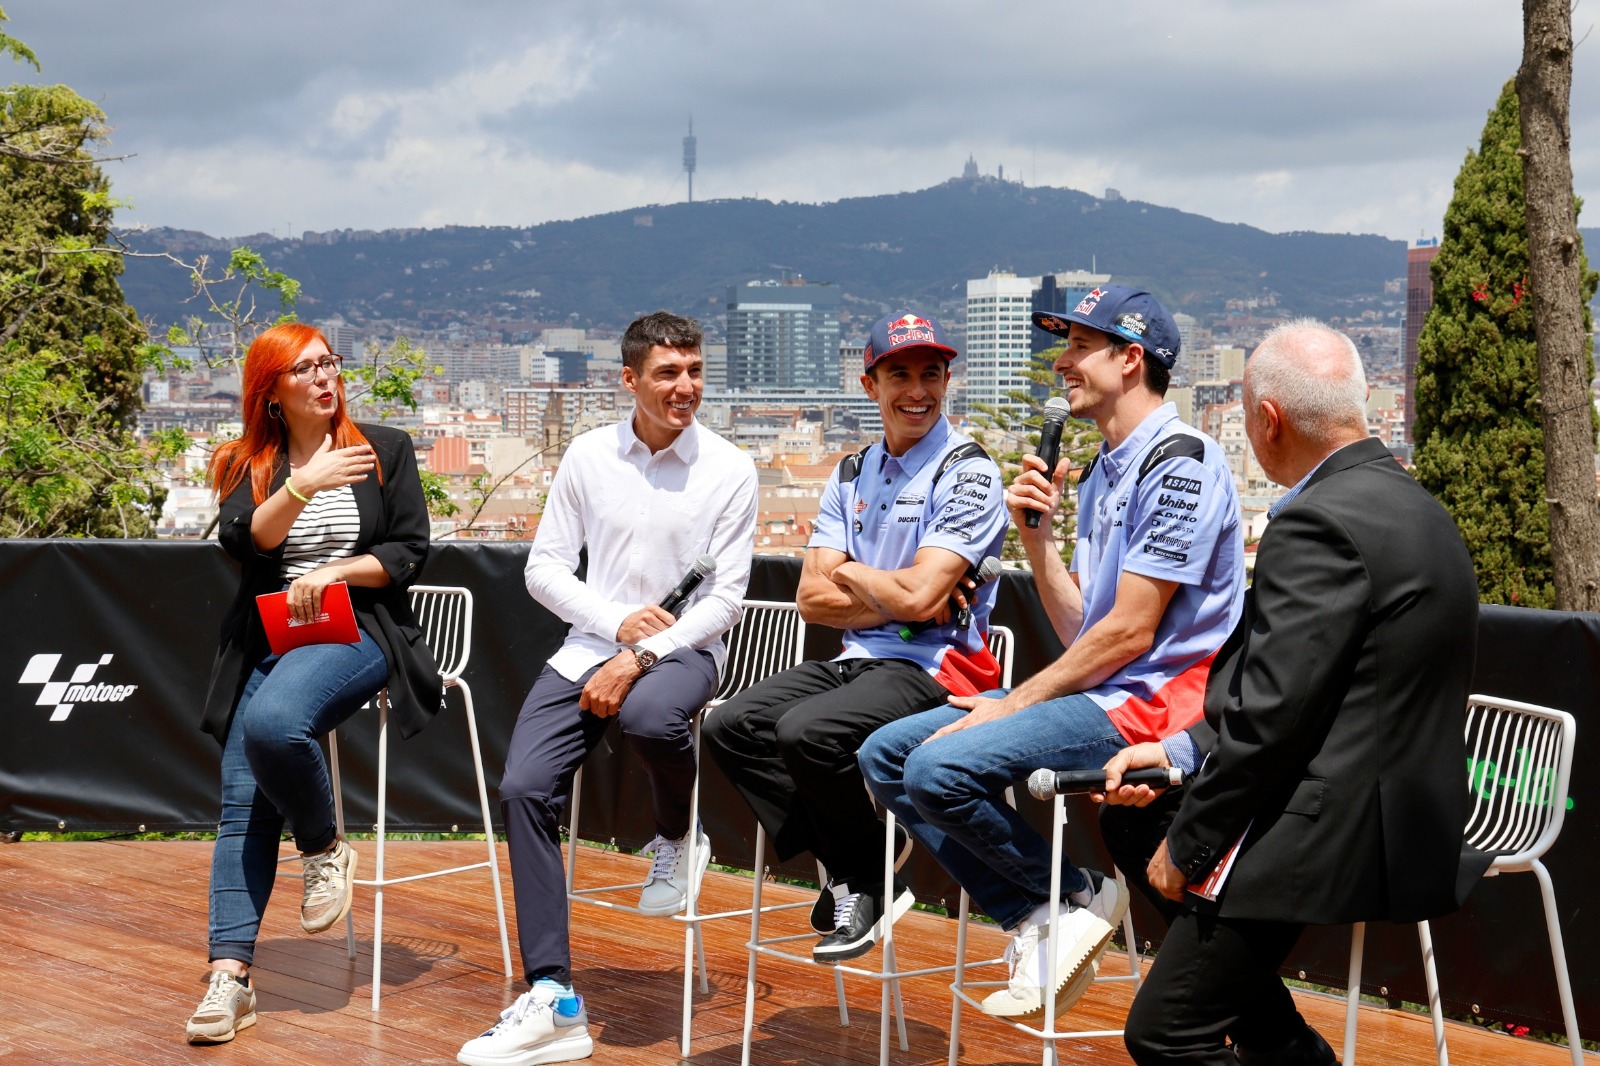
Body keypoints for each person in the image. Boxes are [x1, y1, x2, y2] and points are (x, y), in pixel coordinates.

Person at [1097, 320, 1481, 1066]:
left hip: (1334, 830)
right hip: (1404, 815)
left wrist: (1192, 840)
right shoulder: (1418, 507)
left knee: (1166, 1033)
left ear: (1266, 421)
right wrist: (1177, 753)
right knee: (1129, 821)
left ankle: (1284, 1047)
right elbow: (1317, 689)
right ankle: (1284, 1047)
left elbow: (1273, 719)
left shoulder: (1316, 522)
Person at [859, 286, 1244, 1018]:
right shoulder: (1105, 467)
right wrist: (1037, 541)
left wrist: (1014, 700)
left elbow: (1131, 634)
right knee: (886, 756)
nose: (1062, 363)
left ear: (1131, 360)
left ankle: (1077, 895)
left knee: (940, 765)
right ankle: (1042, 920)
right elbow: (1084, 628)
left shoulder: (1182, 461)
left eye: (1078, 347)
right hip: (1103, 693)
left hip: (1158, 704)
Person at [457, 311, 757, 1066]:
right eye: (668, 374)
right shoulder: (589, 457)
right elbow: (544, 569)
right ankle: (552, 996)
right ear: (630, 379)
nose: (685, 387)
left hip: (687, 648)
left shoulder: (731, 468)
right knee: (524, 786)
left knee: (654, 720)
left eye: (693, 371)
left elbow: (723, 602)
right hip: (590, 645)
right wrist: (618, 625)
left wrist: (645, 649)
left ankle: (677, 838)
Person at [701, 310, 1009, 965]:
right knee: (731, 725)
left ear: (948, 380)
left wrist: (857, 574)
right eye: (900, 374)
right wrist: (901, 596)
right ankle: (859, 867)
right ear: (870, 385)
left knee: (806, 733)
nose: (917, 389)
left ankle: (860, 878)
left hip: (941, 669)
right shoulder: (850, 471)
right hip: (864, 660)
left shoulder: (970, 470)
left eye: (932, 373)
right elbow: (813, 600)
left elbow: (922, 599)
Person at [186, 323, 441, 1045]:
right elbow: (245, 541)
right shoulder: (251, 462)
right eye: (306, 369)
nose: (326, 378)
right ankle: (228, 979)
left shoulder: (382, 449)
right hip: (268, 639)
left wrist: (332, 571)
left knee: (272, 726)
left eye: (329, 363)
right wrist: (302, 484)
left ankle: (325, 847)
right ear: (273, 391)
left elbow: (407, 550)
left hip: (358, 629)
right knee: (241, 803)